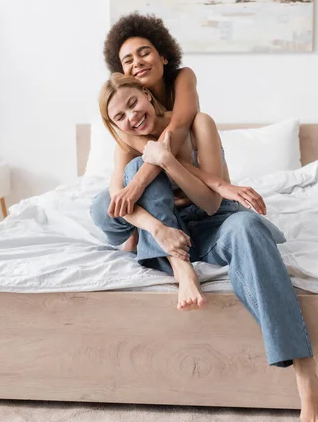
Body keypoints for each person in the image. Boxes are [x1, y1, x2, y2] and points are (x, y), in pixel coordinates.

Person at [90, 73, 318, 422]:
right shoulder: (126, 144)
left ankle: (304, 369)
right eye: (119, 116)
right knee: (113, 192)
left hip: (207, 222)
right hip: (165, 231)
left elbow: (211, 202)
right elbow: (115, 201)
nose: (131, 117)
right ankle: (179, 266)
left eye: (133, 103)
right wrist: (156, 226)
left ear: (147, 95)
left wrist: (167, 161)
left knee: (249, 228)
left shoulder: (194, 124)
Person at [101, 13, 266, 255]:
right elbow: (151, 160)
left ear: (164, 56)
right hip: (168, 203)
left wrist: (137, 185)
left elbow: (176, 131)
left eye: (144, 52)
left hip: (202, 201)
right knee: (105, 200)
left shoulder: (183, 80)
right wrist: (132, 190)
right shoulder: (129, 122)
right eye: (128, 60)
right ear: (122, 73)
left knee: (150, 163)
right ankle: (140, 235)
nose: (137, 61)